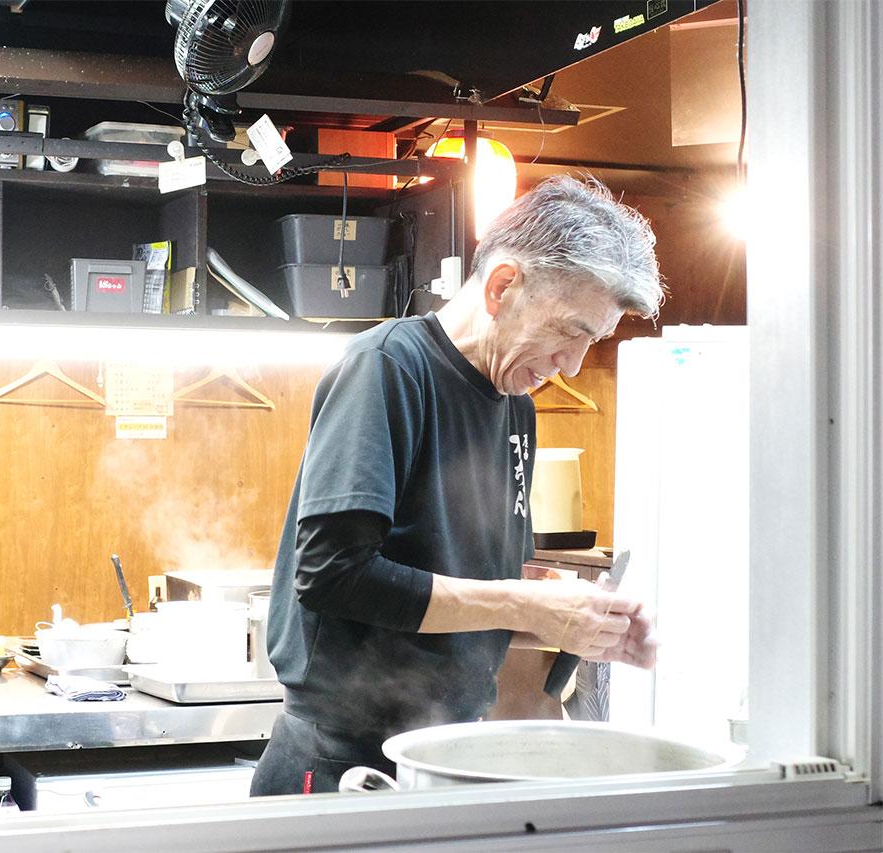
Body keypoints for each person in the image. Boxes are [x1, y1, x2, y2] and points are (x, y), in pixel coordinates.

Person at [250, 176, 662, 796]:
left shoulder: (512, 402)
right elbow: (333, 575)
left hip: (444, 751)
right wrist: (527, 606)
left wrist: (574, 621)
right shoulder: (390, 366)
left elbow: (468, 581)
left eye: (592, 342)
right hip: (341, 764)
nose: (572, 366)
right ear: (503, 286)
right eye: (571, 332)